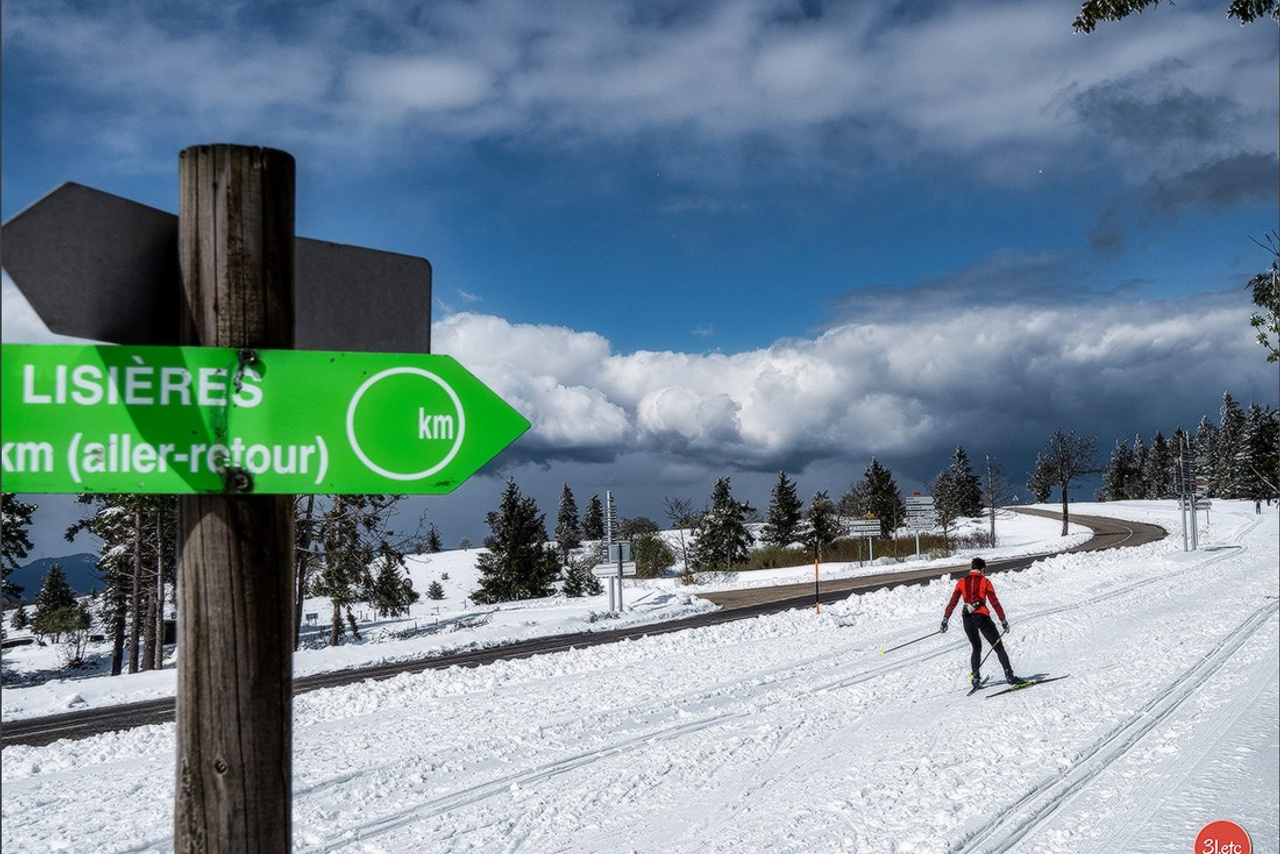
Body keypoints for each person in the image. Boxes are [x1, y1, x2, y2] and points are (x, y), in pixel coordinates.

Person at [940, 557, 1019, 685]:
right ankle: (1009, 675)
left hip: (967, 620)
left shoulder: (961, 582)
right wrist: (1003, 620)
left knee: (976, 648)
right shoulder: (985, 581)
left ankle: (975, 678)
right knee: (998, 647)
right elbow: (994, 602)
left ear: (971, 568)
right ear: (982, 569)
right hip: (982, 617)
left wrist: (945, 619)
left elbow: (953, 602)